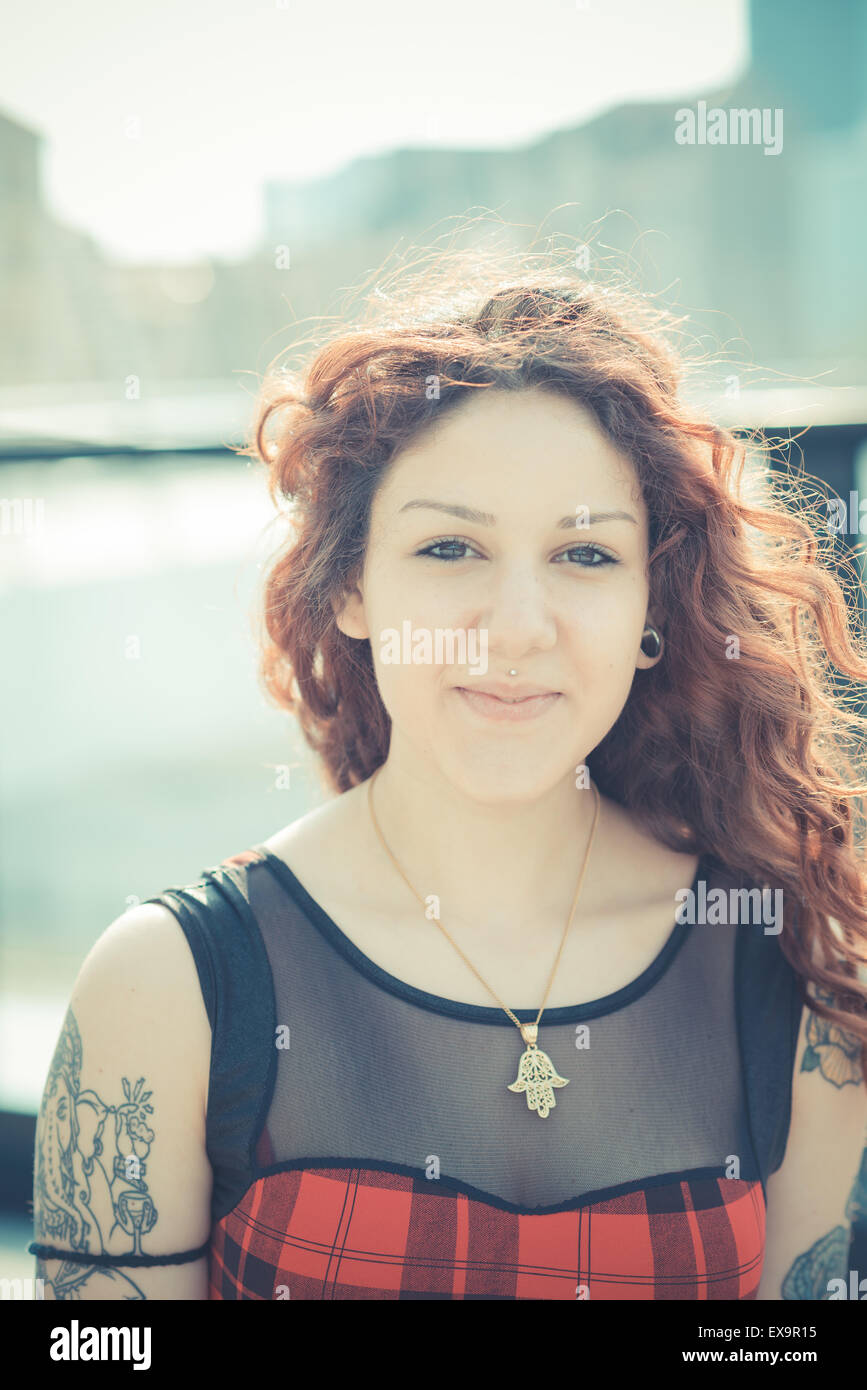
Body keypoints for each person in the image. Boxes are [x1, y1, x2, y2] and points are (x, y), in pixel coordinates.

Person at [30, 255, 867, 1300]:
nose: (517, 629)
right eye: (450, 547)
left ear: (653, 610)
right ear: (349, 587)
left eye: (587, 557)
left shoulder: (787, 971)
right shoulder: (170, 985)